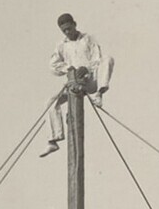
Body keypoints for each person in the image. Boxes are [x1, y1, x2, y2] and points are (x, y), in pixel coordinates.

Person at [40, 13, 114, 157]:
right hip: (73, 84)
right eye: (64, 30)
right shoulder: (61, 45)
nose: (67, 32)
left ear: (74, 24)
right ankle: (53, 140)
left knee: (107, 59)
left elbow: (97, 57)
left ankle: (99, 94)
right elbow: (53, 65)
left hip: (90, 81)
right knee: (50, 101)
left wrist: (87, 68)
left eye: (69, 28)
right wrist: (68, 68)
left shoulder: (88, 39)